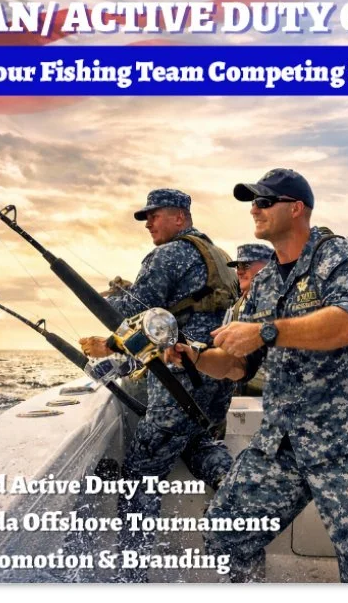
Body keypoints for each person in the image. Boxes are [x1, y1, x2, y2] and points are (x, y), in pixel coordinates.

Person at [167, 169, 348, 583]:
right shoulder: (263, 283)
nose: (255, 209)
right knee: (224, 533)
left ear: (296, 208)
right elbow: (236, 365)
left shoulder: (342, 259)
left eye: (265, 202)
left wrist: (265, 331)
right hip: (283, 441)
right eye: (254, 202)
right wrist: (192, 357)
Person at [79, 188, 239, 580]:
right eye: (146, 217)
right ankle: (239, 507)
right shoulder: (213, 253)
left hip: (180, 379)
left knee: (140, 472)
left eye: (155, 215)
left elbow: (135, 312)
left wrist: (108, 308)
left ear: (181, 216)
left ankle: (131, 575)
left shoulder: (168, 254)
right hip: (215, 380)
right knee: (199, 444)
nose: (149, 223)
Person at [224, 243, 274, 396]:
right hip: (242, 389)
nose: (239, 271)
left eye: (245, 265)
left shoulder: (280, 302)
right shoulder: (237, 305)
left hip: (270, 392)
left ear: (267, 267)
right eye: (237, 266)